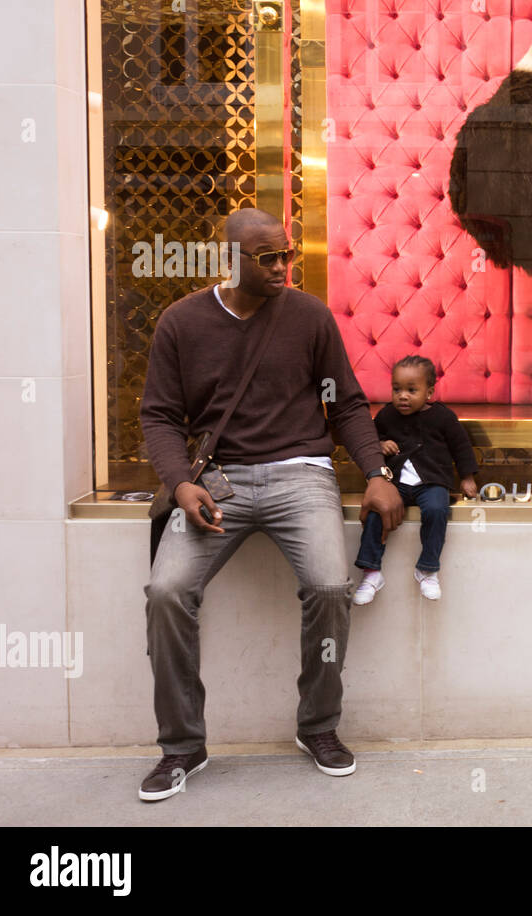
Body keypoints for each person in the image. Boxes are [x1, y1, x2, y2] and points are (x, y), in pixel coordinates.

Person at [138, 207, 406, 802]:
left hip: (300, 474)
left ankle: (318, 726)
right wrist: (182, 483)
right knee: (166, 592)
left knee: (331, 586)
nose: (284, 266)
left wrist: (377, 472)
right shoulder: (181, 323)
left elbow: (347, 407)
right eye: (269, 258)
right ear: (231, 260)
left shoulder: (309, 317)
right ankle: (182, 745)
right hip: (216, 482)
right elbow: (158, 416)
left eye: (288, 253)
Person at [353, 355, 480, 604]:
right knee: (378, 511)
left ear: (429, 392)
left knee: (436, 509)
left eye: (412, 390)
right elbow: (370, 440)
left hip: (431, 482)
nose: (402, 396)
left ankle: (428, 569)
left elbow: (461, 447)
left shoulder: (443, 417)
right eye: (397, 389)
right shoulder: (387, 415)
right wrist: (380, 444)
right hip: (395, 483)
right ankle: (371, 572)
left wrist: (467, 477)